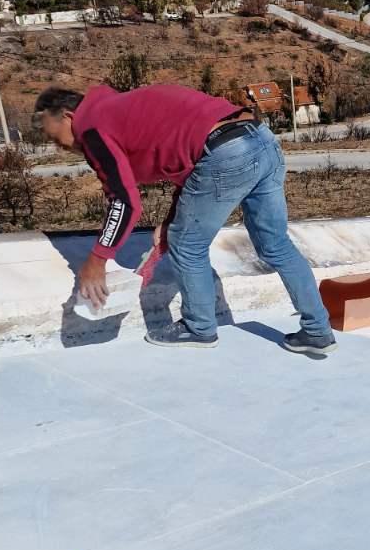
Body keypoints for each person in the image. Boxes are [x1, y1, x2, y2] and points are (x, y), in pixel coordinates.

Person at [34, 83, 336, 356]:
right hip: (260, 138)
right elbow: (187, 159)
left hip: (224, 150)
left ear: (68, 116)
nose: (59, 145)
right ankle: (318, 330)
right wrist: (169, 221)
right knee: (275, 244)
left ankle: (199, 327)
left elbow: (124, 201)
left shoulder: (92, 127)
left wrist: (97, 260)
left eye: (53, 135)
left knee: (187, 245)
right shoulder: (118, 110)